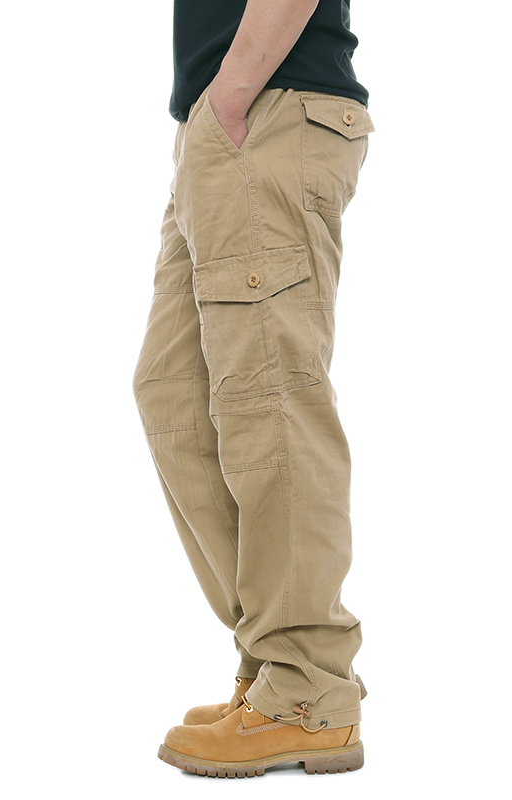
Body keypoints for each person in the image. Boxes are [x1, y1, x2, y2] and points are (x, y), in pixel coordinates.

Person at [132, 0, 374, 777]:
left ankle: (307, 687)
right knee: (172, 390)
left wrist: (234, 93)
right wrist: (214, 113)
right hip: (226, 120)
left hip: (267, 103)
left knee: (270, 401)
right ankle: (275, 659)